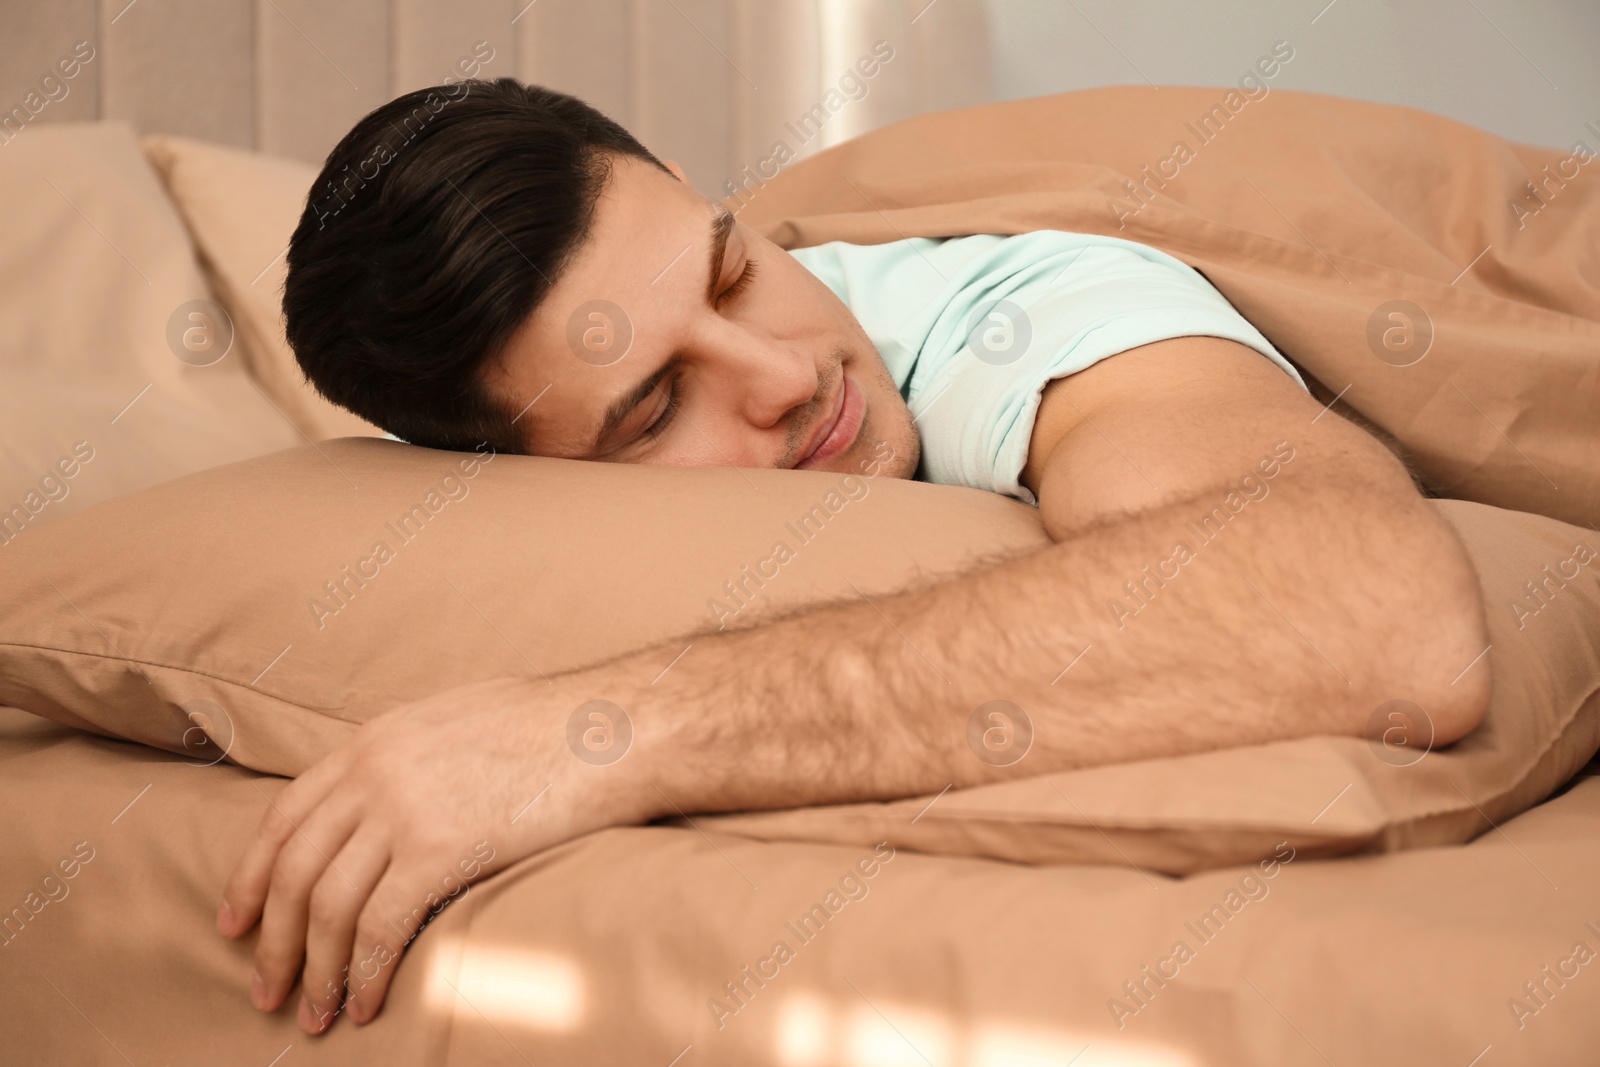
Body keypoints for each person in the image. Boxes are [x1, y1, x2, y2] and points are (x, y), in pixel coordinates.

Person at [218, 78, 1491, 1035]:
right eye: (657, 410)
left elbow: (1372, 613)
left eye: (730, 274)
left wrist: (596, 732)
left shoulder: (1025, 322)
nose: (786, 375)